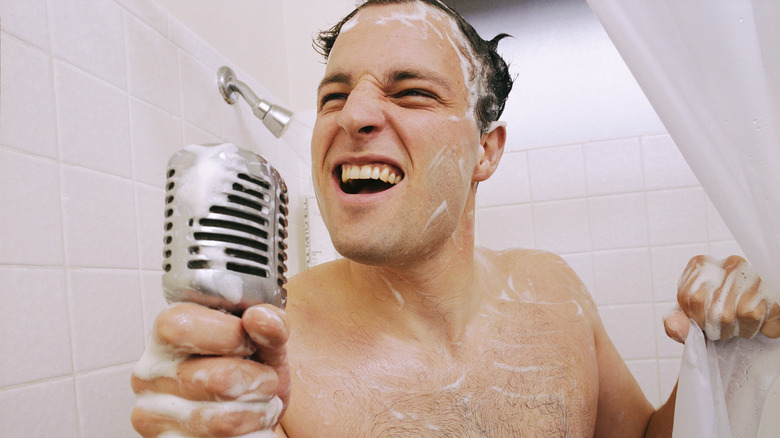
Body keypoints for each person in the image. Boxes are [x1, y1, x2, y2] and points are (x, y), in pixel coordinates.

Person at [131, 1, 780, 436]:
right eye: (333, 95)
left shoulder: (556, 292)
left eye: (410, 91)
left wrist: (733, 360)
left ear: (486, 151)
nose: (351, 116)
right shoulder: (266, 351)